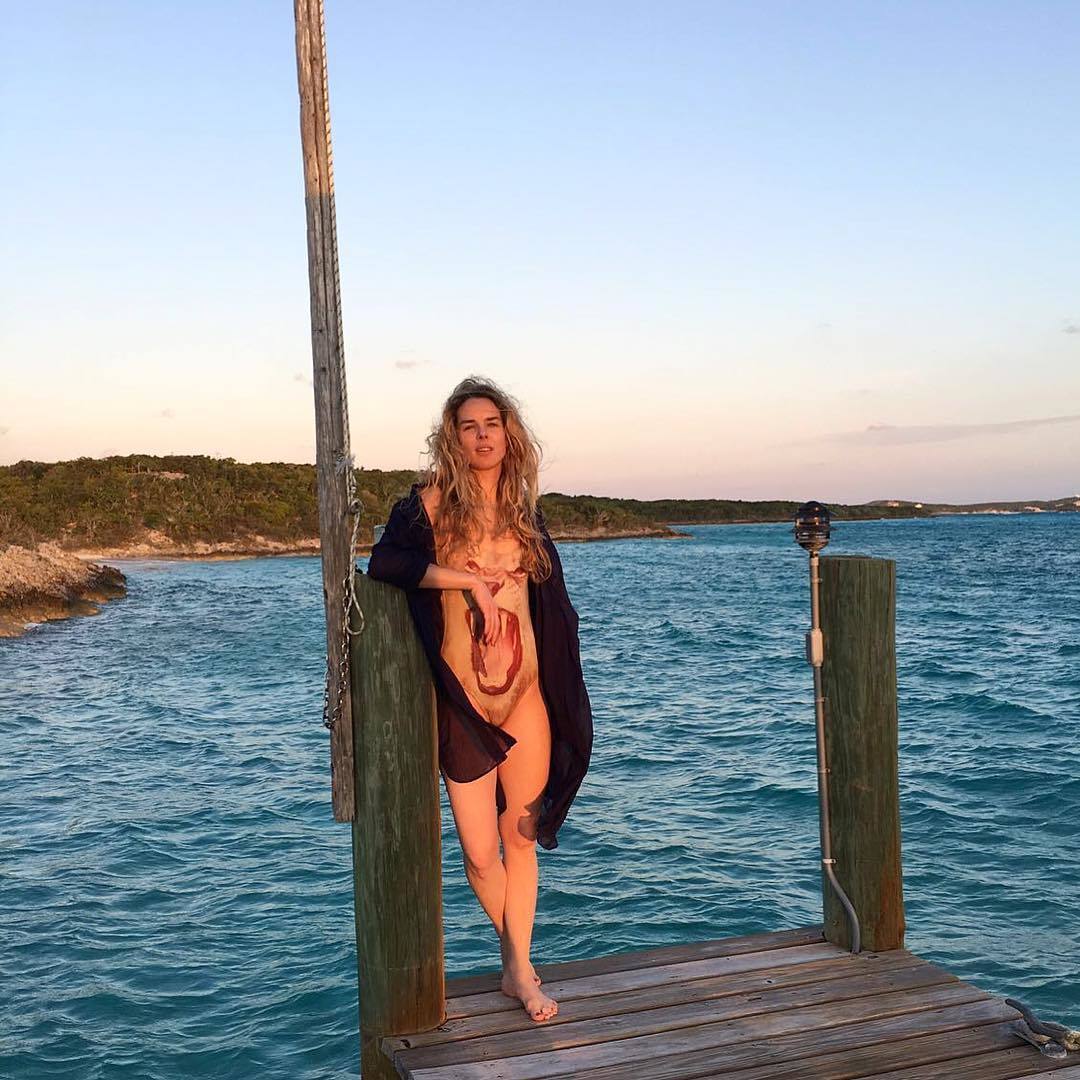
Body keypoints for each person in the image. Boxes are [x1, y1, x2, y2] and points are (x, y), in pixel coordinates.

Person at [366, 375, 593, 1024]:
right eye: (469, 426)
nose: (482, 435)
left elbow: (549, 604)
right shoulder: (429, 505)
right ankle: (517, 963)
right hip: (464, 703)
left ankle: (517, 969)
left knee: (520, 839)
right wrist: (469, 581)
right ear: (453, 437)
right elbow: (386, 564)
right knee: (477, 852)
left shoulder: (525, 512)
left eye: (492, 423)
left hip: (526, 697)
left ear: (508, 433)